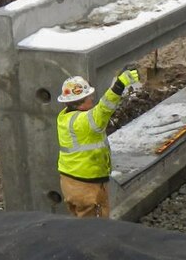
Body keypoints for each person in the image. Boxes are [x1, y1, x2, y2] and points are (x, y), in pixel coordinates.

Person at [55, 68, 140, 218]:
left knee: (80, 224)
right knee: (94, 230)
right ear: (80, 103)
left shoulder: (64, 117)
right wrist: (119, 85)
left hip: (70, 182)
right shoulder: (84, 122)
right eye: (89, 97)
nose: (92, 99)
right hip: (87, 185)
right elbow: (104, 109)